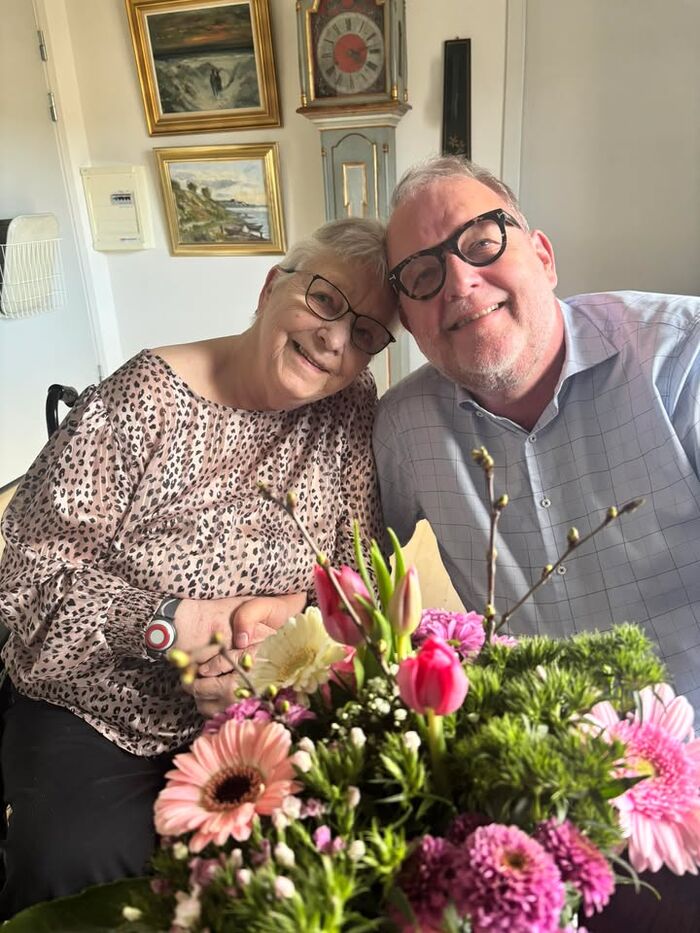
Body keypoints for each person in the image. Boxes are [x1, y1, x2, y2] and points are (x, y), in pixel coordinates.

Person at [0, 217, 398, 917]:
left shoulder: (349, 406)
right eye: (326, 300)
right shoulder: (140, 401)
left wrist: (276, 640)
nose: (337, 339)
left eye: (365, 332)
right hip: (101, 710)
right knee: (87, 876)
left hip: (264, 707)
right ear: (271, 287)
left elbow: (353, 577)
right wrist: (173, 624)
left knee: (337, 859)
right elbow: (24, 587)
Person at [373, 155, 700, 931]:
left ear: (543, 255)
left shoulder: (682, 358)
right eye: (421, 275)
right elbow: (351, 576)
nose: (458, 282)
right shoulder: (403, 427)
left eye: (481, 240)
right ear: (410, 321)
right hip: (537, 794)